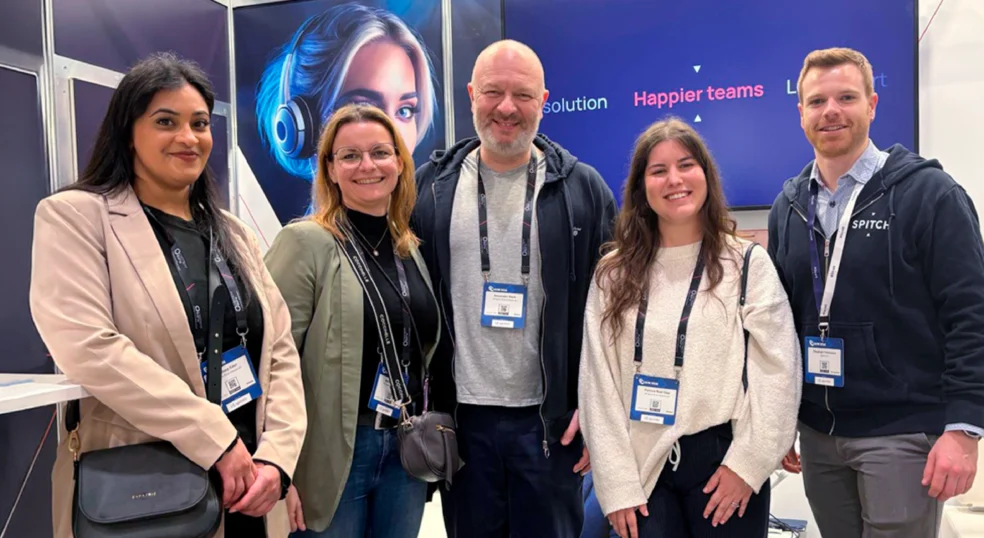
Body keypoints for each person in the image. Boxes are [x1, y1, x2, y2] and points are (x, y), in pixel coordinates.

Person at [28, 52, 307, 538]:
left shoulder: (234, 233)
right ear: (127, 133)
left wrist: (278, 459)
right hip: (146, 490)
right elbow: (89, 347)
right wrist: (215, 439)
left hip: (251, 487)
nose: (188, 137)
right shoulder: (76, 217)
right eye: (165, 122)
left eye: (200, 123)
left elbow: (279, 351)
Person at [768, 47, 984, 538]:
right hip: (818, 435)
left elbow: (977, 317)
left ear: (872, 105)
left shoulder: (929, 194)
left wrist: (963, 428)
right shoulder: (788, 206)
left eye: (846, 98)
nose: (831, 111)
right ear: (800, 113)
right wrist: (781, 419)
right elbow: (779, 325)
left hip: (902, 432)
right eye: (817, 102)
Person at [411, 39, 618, 538]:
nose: (507, 108)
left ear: (543, 101)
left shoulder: (582, 189)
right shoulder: (429, 187)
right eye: (493, 92)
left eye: (522, 95)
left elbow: (613, 312)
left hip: (550, 423)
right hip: (462, 420)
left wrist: (598, 411)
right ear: (471, 95)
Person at [579, 117, 801, 538]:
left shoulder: (745, 263)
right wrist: (616, 483)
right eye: (658, 170)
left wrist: (748, 465)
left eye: (685, 165)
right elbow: (597, 383)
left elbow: (778, 371)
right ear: (641, 187)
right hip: (642, 471)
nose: (674, 180)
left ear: (706, 175)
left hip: (723, 466)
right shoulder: (612, 273)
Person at [265, 103, 440, 538]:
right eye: (350, 155)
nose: (367, 166)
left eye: (380, 152)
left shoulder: (408, 249)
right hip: (332, 453)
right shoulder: (304, 242)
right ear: (330, 168)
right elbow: (272, 361)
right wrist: (280, 465)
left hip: (404, 447)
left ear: (399, 162)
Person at [255, 2, 438, 219]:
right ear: (303, 124)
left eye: (405, 111)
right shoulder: (305, 238)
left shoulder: (423, 231)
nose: (391, 135)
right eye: (364, 109)